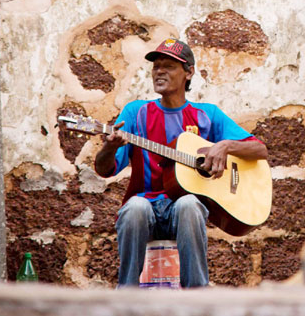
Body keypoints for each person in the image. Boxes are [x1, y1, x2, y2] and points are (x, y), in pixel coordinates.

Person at [95, 38, 268, 288]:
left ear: (189, 72)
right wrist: (109, 148)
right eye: (156, 66)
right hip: (145, 206)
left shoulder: (207, 115)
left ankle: (196, 297)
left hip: (183, 213)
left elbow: (260, 150)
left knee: (188, 204)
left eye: (169, 66)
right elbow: (104, 169)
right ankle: (126, 294)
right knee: (135, 209)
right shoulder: (136, 112)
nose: (160, 71)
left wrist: (225, 145)